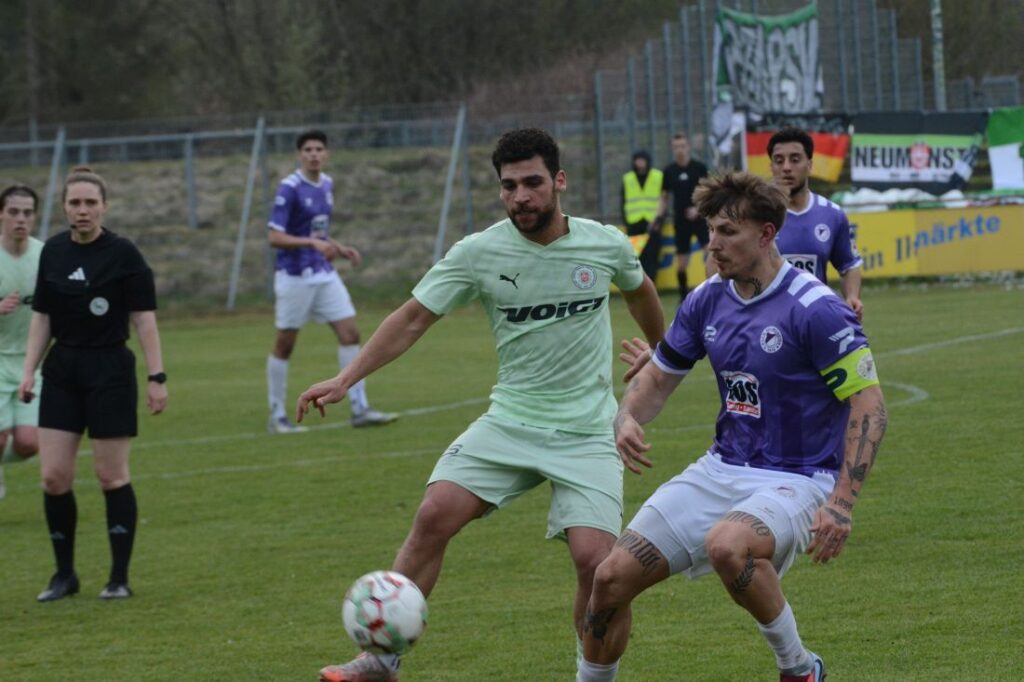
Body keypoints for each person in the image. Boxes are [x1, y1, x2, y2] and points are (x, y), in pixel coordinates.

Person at [297, 128, 665, 682]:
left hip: (588, 429)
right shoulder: (478, 252)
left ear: (558, 181)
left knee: (598, 567)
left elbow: (641, 291)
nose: (521, 196)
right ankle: (380, 661)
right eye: (509, 186)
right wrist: (349, 377)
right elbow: (412, 317)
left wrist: (662, 353)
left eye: (533, 183)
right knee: (431, 516)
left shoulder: (605, 244)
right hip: (510, 421)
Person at [578, 172, 887, 682]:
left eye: (727, 232)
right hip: (720, 469)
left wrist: (842, 502)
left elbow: (870, 406)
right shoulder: (706, 300)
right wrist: (625, 416)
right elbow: (657, 377)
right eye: (710, 232)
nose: (712, 245)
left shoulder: (817, 309)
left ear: (766, 235)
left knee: (729, 546)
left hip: (798, 477)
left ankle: (800, 670)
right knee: (608, 579)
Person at [18, 167, 168, 602]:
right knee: (53, 477)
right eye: (74, 203)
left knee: (110, 476)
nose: (82, 210)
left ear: (104, 206)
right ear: (64, 207)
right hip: (62, 370)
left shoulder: (124, 253)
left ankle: (118, 578)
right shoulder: (54, 252)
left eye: (90, 203)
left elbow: (144, 319)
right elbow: (42, 317)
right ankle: (64, 576)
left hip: (110, 371)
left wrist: (156, 377)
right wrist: (30, 370)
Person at [266, 129, 396, 433]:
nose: (314, 154)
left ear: (327, 154)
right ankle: (276, 415)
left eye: (319, 149)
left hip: (324, 274)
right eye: (308, 149)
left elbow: (317, 232)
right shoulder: (290, 187)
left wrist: (337, 247)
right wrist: (312, 245)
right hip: (295, 276)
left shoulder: (327, 184)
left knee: (350, 333)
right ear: (300, 154)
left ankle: (360, 408)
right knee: (285, 345)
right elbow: (274, 236)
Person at [768, 126, 864, 321]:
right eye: (779, 160)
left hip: (815, 320)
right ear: (771, 166)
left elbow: (848, 265)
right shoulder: (756, 215)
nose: (786, 167)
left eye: (795, 159)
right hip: (767, 321)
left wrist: (852, 296)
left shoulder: (832, 215)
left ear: (810, 165)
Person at [0, 185, 43, 499]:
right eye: (14, 211)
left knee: (29, 444)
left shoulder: (45, 256)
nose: (20, 219)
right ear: (1, 214)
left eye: (27, 213)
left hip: (32, 363)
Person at [655, 133, 709, 302]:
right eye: (676, 146)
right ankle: (683, 297)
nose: (680, 150)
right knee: (681, 263)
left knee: (711, 255)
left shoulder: (699, 168)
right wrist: (658, 218)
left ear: (688, 147)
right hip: (681, 221)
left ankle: (713, 290)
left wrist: (698, 209)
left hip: (700, 219)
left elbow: (709, 193)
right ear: (673, 149)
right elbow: (664, 198)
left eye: (683, 146)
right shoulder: (669, 171)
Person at [620, 150, 663, 281]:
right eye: (637, 160)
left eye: (642, 160)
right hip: (634, 223)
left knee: (652, 256)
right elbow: (622, 202)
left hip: (653, 222)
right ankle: (638, 285)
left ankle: (652, 285)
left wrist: (659, 221)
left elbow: (664, 200)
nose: (640, 163)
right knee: (636, 258)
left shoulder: (658, 176)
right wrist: (626, 222)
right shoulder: (627, 178)